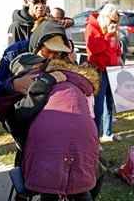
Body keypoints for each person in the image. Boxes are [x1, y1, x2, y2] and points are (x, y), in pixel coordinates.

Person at [8, 19, 100, 201]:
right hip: (83, 144)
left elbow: (19, 116)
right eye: (48, 50)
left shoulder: (39, 76)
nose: (52, 56)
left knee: (49, 186)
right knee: (79, 186)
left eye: (58, 52)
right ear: (36, 48)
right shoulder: (81, 81)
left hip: (50, 145)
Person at [85, 3, 122, 142]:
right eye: (113, 21)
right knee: (98, 106)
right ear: (105, 17)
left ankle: (107, 133)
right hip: (98, 70)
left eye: (117, 21)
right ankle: (95, 136)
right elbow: (95, 49)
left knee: (109, 103)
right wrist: (107, 35)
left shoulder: (111, 30)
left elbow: (116, 45)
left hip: (111, 69)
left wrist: (118, 56)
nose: (115, 24)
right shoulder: (92, 27)